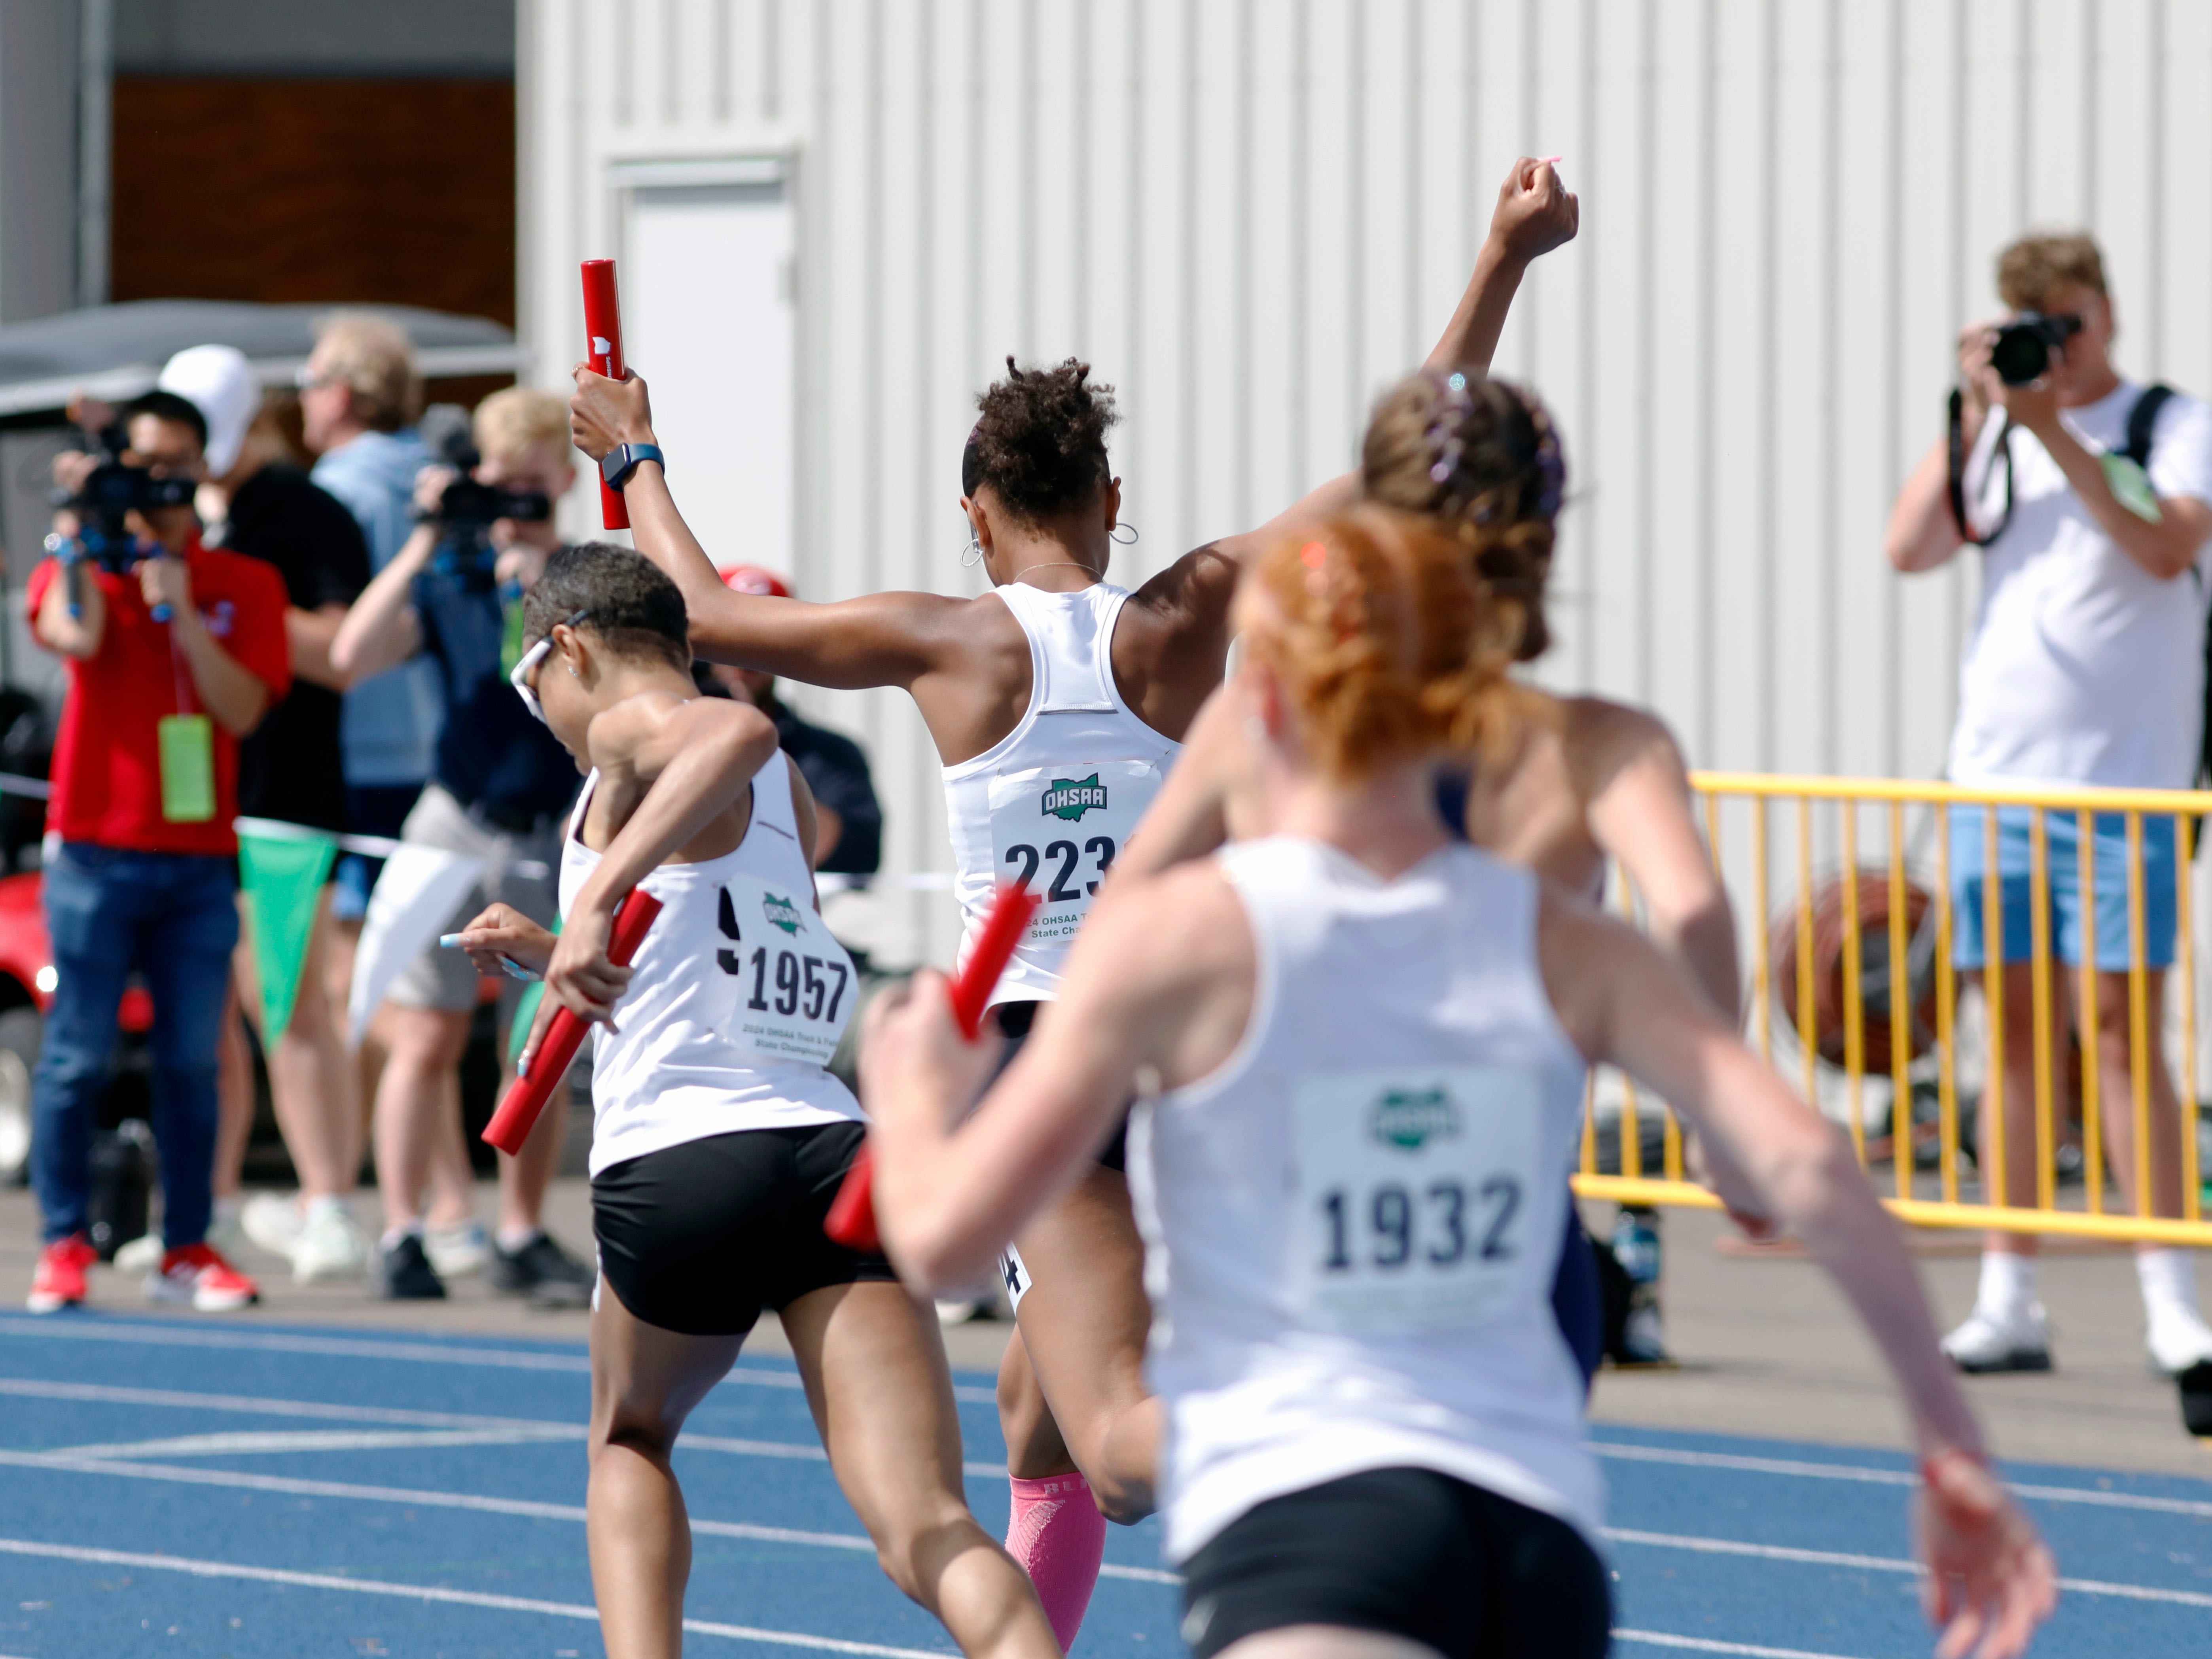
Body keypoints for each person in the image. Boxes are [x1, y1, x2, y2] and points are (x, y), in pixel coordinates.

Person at [570, 152, 1578, 1649]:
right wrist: (1503, 257)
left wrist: (637, 455)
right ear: (1111, 499)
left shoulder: (951, 641)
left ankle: (1367, 1447)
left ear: (975, 514)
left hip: (1053, 1056)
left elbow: (705, 618)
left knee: (1112, 1447)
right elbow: (1396, 477)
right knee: (1033, 1413)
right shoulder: (1189, 609)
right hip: (1213, 1045)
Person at [861, 505, 2059, 1659]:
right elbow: (1803, 1160)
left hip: (1312, 1518)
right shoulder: (1569, 945)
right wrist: (1948, 1441)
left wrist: (914, 1097)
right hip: (1527, 1536)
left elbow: (948, 1251)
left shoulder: (1184, 944)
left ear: (1262, 703)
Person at [447, 543, 1059, 1659]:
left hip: (684, 1159)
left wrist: (597, 899)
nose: (541, 716)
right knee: (923, 1521)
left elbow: (737, 728)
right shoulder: (777, 796)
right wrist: (558, 950)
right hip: (828, 1150)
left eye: (534, 686)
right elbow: (718, 945)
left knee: (630, 1436)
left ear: (571, 649)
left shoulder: (656, 736)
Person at [1884, 232, 2212, 1377]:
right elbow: (1910, 547)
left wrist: (2051, 427)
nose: (2057, 350)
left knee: (2124, 1038)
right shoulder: (2000, 435)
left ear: (2108, 315)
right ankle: (2009, 1291)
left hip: (2126, 790)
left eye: (2070, 325)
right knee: (2014, 1041)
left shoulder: (2167, 424)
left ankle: (2172, 1298)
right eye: (2037, 330)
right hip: (1996, 782)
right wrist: (1977, 414)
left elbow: (2167, 546)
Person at [23, 390, 291, 1315]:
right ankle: (62, 1243)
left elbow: (242, 709)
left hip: (196, 859)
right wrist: (79, 530)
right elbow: (76, 639)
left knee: (190, 1059)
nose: (162, 483)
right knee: (76, 1058)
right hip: (94, 852)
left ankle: (185, 1244)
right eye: (146, 465)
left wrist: (178, 602)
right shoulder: (79, 567)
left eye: (180, 464)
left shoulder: (243, 582)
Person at [330, 388, 592, 1305]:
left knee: (538, 1036)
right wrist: (425, 539)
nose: (516, 501)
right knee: (426, 1033)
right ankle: (403, 1229)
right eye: (501, 484)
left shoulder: (585, 578)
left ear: (562, 481)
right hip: (455, 815)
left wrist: (535, 579)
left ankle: (521, 1229)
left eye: (533, 486)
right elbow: (352, 655)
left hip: (552, 822)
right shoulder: (450, 573)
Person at [158, 346, 377, 1283]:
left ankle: (328, 1201)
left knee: (284, 1003)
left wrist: (228, 597)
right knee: (203, 1017)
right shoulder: (175, 514)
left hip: (281, 796)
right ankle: (202, 1213)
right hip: (189, 795)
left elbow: (341, 650)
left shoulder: (302, 511)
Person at [702, 565, 883, 877]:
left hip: (802, 894)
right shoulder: (665, 729)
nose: (743, 657)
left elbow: (859, 854)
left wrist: (754, 748)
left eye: (759, 639)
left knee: (880, 926)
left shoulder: (831, 752)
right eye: (729, 640)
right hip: (699, 888)